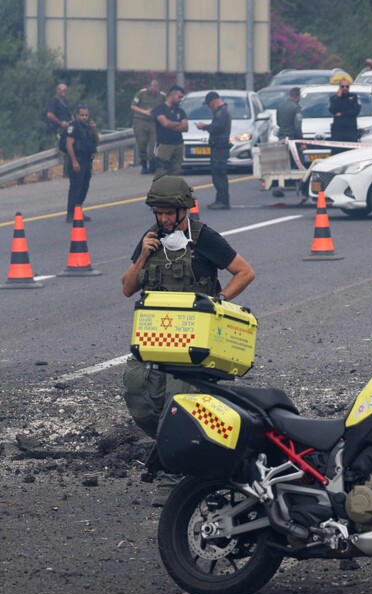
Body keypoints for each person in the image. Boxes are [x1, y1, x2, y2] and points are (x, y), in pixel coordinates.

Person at [120, 176, 254, 502]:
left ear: (184, 210)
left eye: (170, 213)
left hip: (193, 341)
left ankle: (173, 474)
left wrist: (217, 302)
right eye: (159, 213)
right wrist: (142, 257)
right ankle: (185, 445)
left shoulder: (204, 238)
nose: (164, 219)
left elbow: (245, 272)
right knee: (139, 396)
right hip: (156, 337)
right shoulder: (150, 239)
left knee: (177, 403)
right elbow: (127, 288)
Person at [195, 91, 231, 209]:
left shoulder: (221, 112)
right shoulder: (222, 112)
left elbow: (217, 127)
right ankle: (220, 200)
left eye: (209, 104)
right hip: (219, 147)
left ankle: (222, 201)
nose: (210, 107)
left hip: (220, 148)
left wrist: (204, 127)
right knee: (217, 174)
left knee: (219, 174)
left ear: (213, 101)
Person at [64, 104, 98, 221]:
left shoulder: (89, 126)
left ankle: (78, 211)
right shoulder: (73, 127)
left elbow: (96, 141)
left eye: (86, 115)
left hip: (87, 160)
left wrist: (94, 130)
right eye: (82, 115)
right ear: (77, 115)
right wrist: (74, 161)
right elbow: (69, 145)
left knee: (84, 186)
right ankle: (70, 213)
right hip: (77, 159)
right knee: (75, 187)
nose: (84, 117)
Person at [152, 85, 189, 177]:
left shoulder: (180, 111)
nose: (181, 99)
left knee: (175, 171)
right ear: (172, 95)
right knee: (161, 171)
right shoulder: (159, 109)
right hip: (165, 145)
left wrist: (172, 125)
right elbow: (165, 123)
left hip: (178, 144)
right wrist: (178, 123)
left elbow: (185, 127)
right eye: (179, 97)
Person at [131, 79, 166, 174]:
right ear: (149, 86)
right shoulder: (141, 93)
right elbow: (133, 106)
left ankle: (152, 163)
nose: (153, 88)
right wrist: (144, 112)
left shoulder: (162, 96)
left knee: (153, 145)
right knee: (141, 143)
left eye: (156, 86)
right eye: (152, 86)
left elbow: (166, 108)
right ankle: (143, 164)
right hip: (141, 121)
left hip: (154, 123)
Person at [328, 78, 360, 145]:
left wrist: (342, 114)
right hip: (338, 131)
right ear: (339, 87)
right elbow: (333, 110)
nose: (345, 88)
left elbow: (355, 111)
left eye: (347, 86)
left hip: (350, 130)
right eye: (342, 86)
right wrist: (338, 97)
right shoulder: (334, 98)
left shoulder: (354, 97)